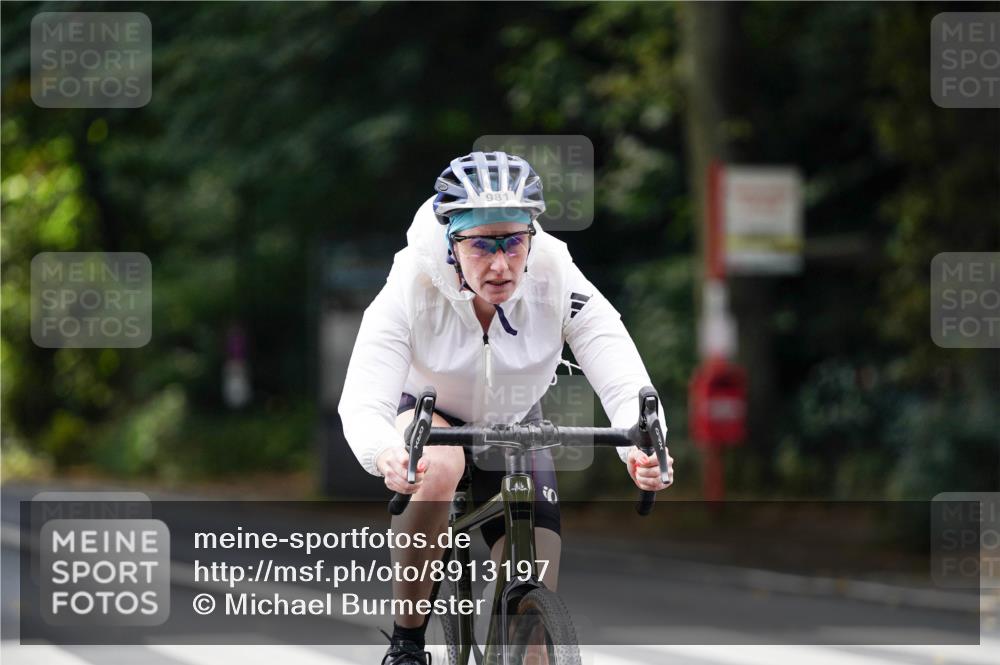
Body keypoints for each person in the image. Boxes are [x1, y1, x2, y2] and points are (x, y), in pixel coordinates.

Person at [339, 151, 673, 665]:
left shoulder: (555, 274)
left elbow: (619, 369)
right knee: (437, 466)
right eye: (481, 244)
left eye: (514, 242)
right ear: (452, 243)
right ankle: (407, 643)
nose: (500, 264)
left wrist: (642, 446)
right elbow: (364, 397)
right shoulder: (411, 282)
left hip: (514, 421)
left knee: (533, 638)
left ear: (531, 237)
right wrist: (384, 451)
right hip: (432, 414)